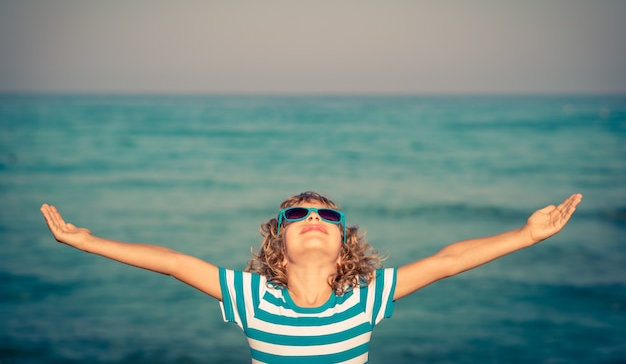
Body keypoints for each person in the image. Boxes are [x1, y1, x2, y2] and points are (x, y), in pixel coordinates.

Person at [41, 191, 582, 364]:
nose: (314, 221)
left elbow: (446, 260)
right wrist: (87, 242)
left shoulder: (365, 297)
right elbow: (173, 261)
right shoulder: (251, 297)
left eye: (327, 216)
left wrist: (525, 235)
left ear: (345, 240)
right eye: (296, 216)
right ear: (278, 241)